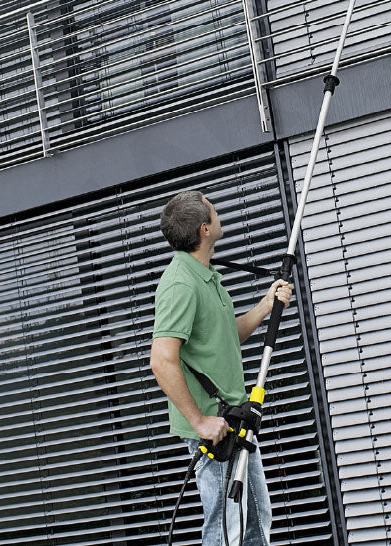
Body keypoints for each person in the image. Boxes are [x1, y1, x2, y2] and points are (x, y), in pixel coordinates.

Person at [151, 189, 293, 546]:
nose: (218, 214)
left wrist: (265, 306)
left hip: (235, 420)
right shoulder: (180, 284)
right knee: (226, 527)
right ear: (204, 229)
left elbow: (225, 337)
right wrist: (200, 422)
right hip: (214, 429)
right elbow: (161, 359)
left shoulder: (206, 275)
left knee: (254, 521)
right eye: (213, 211)